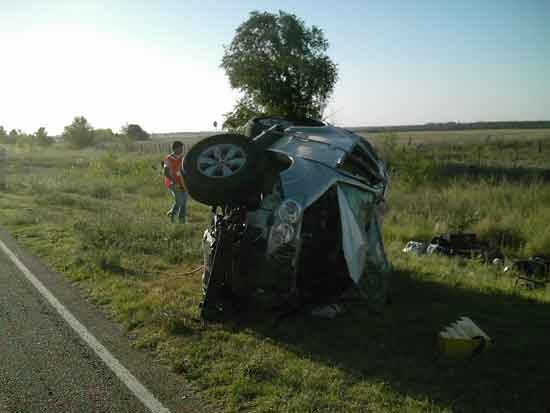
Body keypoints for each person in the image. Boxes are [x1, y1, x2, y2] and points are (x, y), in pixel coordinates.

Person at [163, 141, 188, 223]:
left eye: (182, 148)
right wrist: (174, 181)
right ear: (175, 149)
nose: (181, 149)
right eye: (180, 148)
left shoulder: (183, 157)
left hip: (183, 182)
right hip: (173, 183)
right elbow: (165, 172)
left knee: (184, 203)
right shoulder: (168, 158)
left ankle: (182, 221)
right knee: (179, 202)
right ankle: (172, 218)